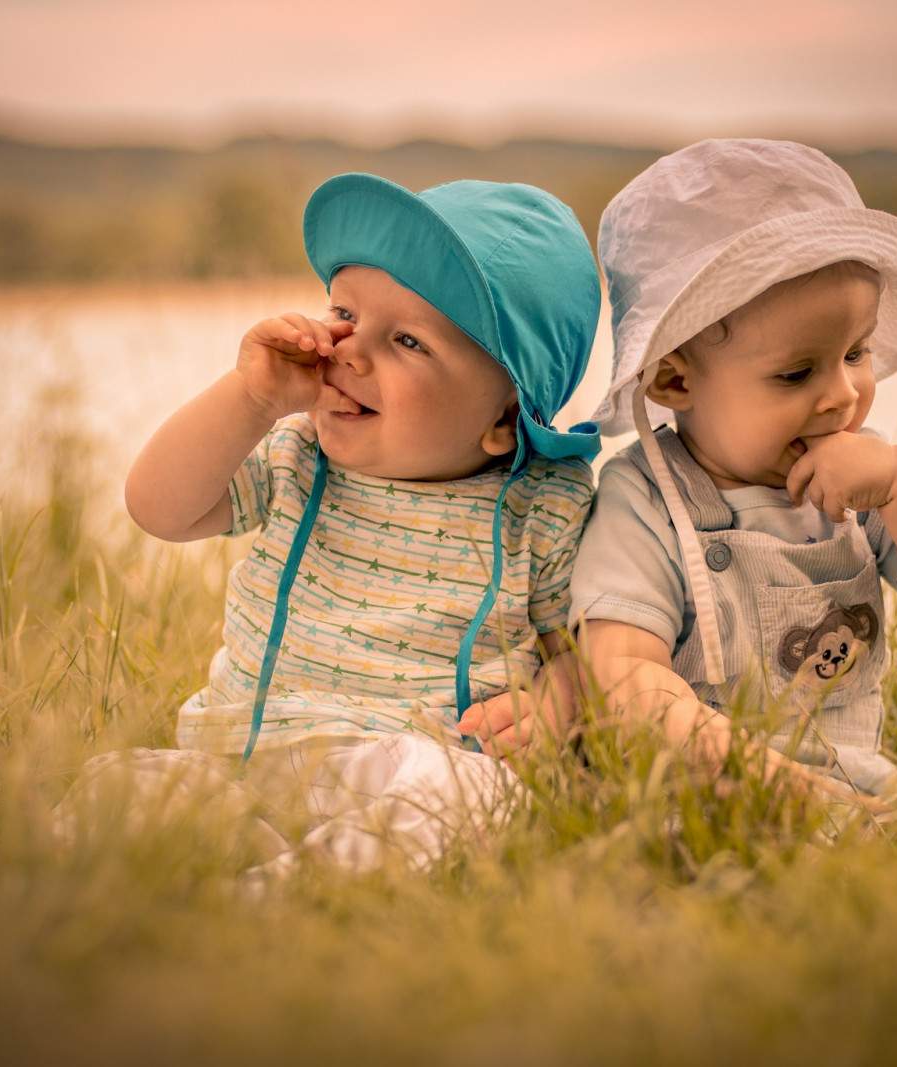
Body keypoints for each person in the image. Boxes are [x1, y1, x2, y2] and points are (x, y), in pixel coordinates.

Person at [480, 138, 897, 844]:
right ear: (675, 381)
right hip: (699, 788)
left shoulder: (865, 480)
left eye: (856, 353)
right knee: (827, 835)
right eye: (796, 372)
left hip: (853, 780)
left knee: (896, 822)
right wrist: (757, 772)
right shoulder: (645, 497)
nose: (842, 394)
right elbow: (624, 676)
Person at [61, 173, 604, 875]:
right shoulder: (296, 458)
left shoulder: (543, 506)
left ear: (504, 417)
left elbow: (582, 646)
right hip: (246, 757)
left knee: (471, 796)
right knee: (114, 785)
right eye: (344, 312)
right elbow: (158, 507)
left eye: (408, 340)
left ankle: (296, 887)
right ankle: (246, 860)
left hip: (418, 763)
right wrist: (253, 398)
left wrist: (561, 698)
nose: (348, 350)